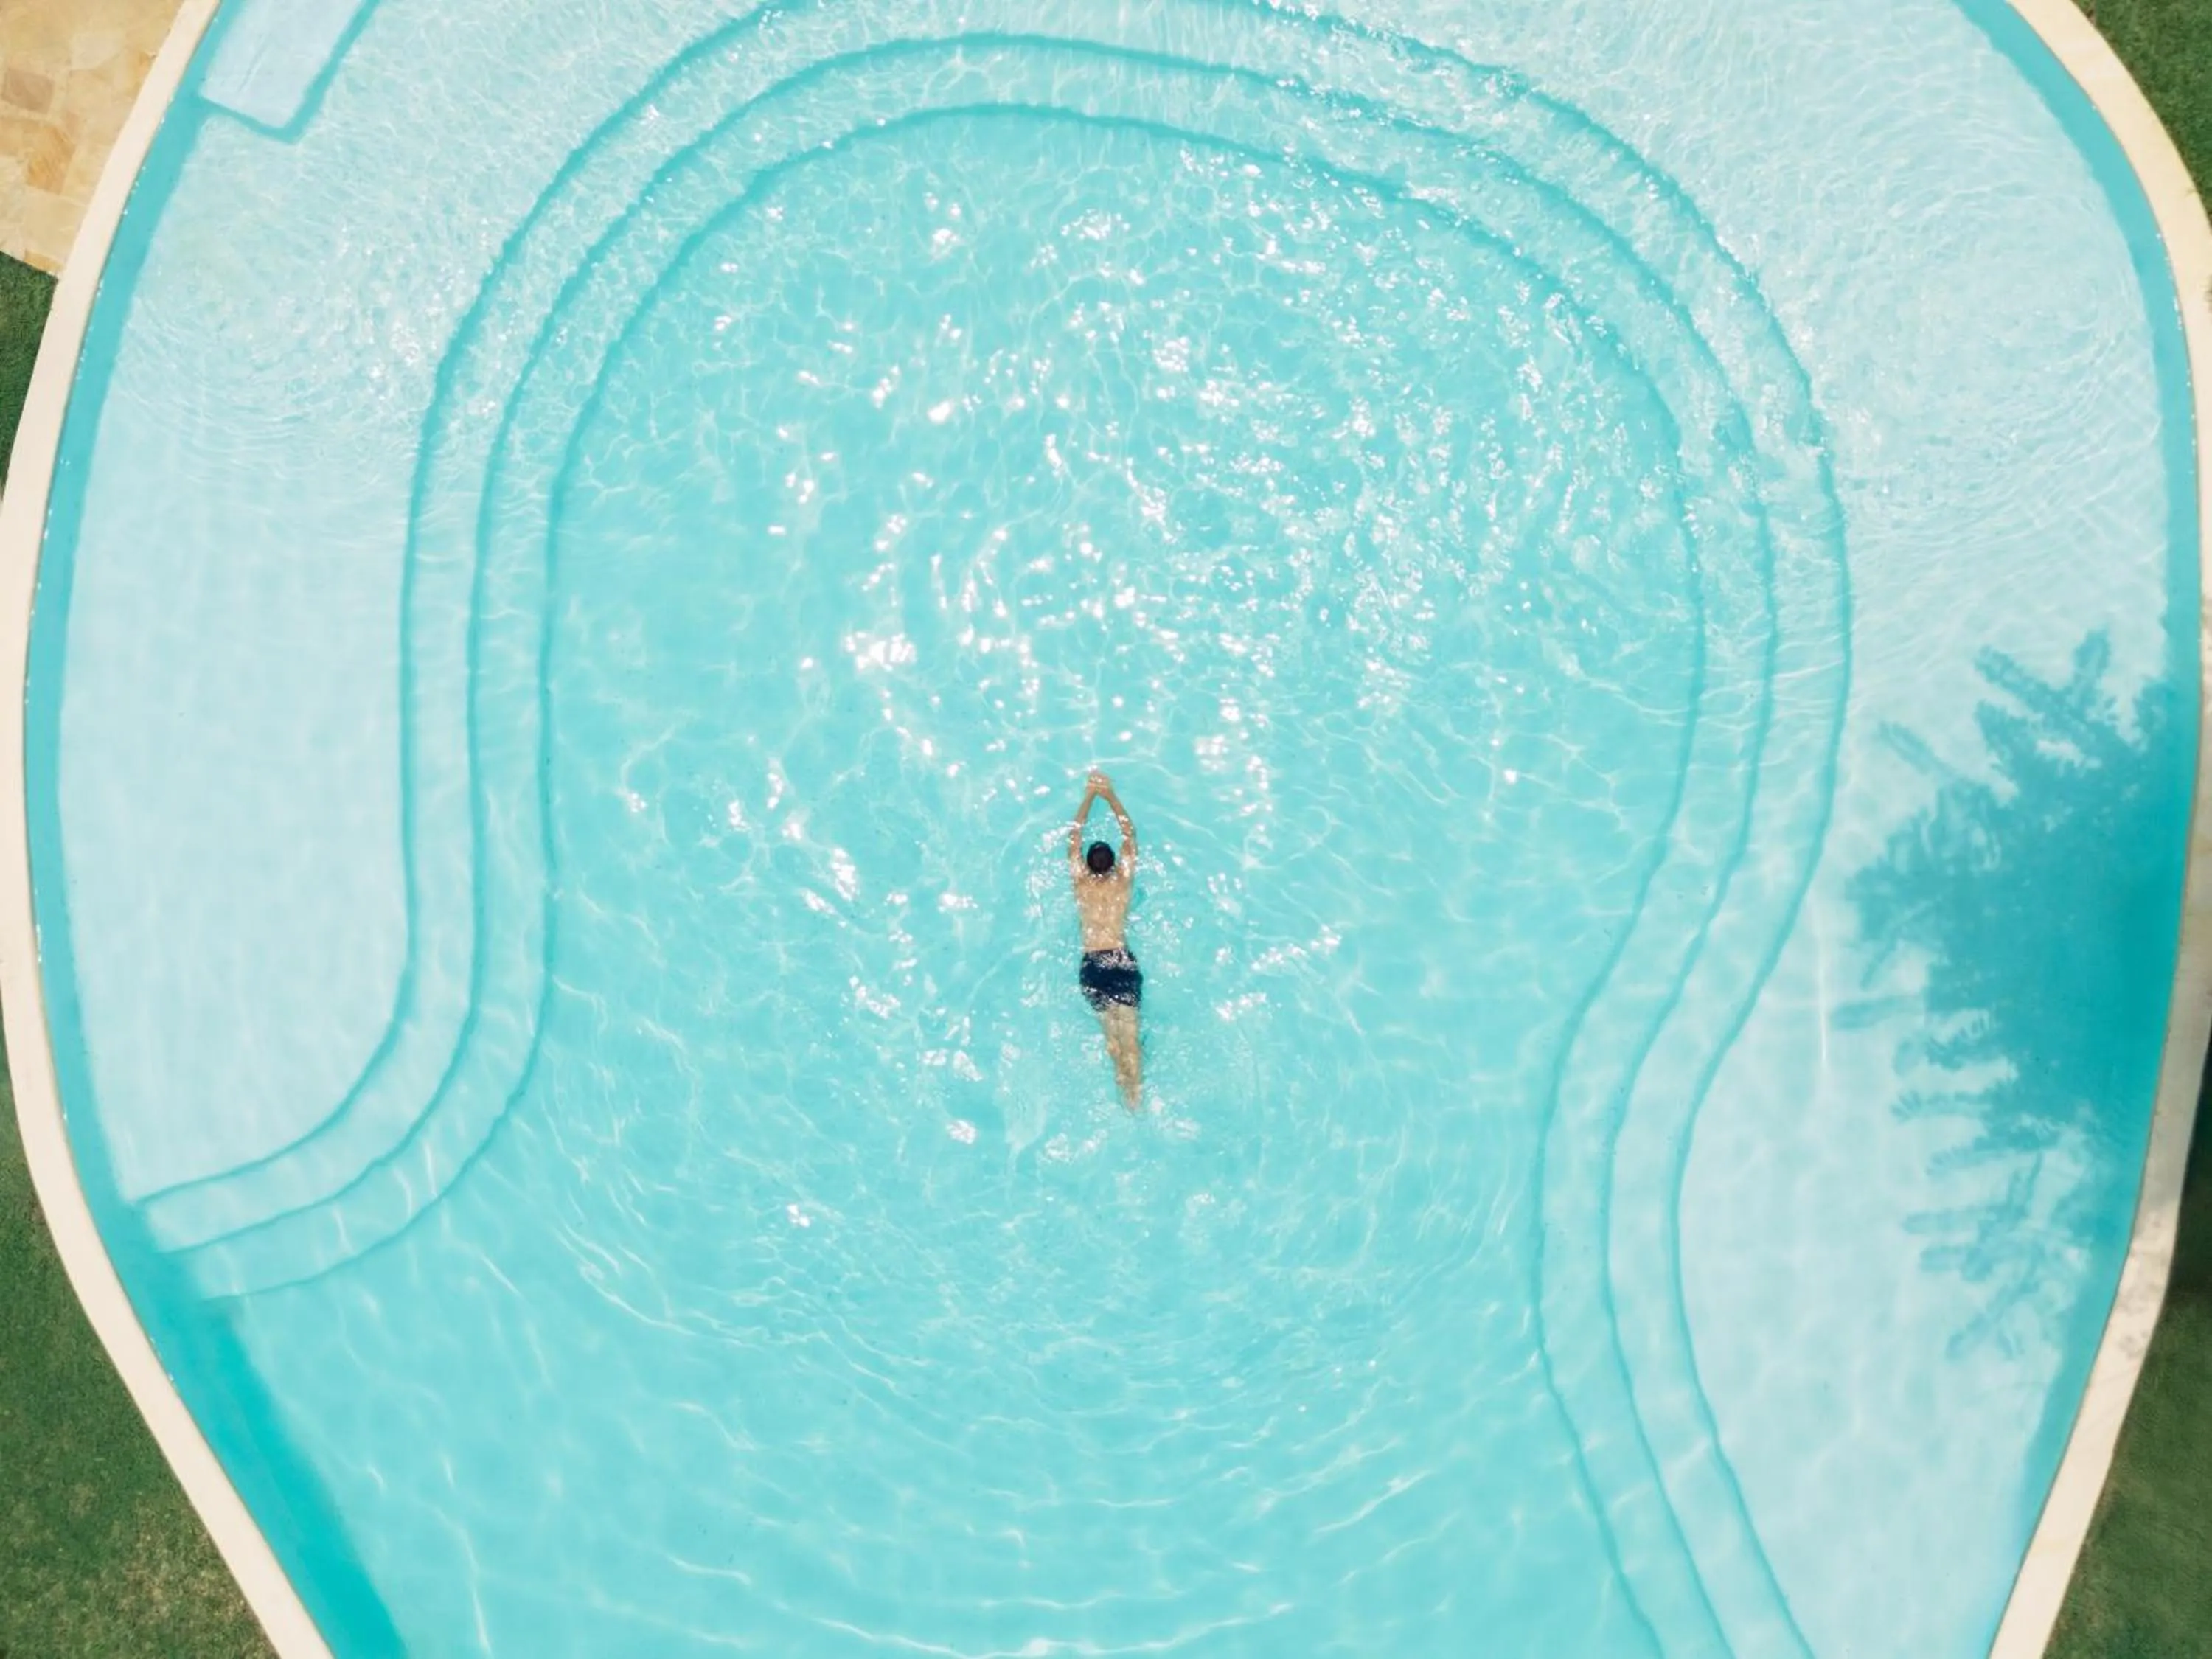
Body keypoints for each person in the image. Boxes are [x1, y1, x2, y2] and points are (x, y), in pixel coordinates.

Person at [1069, 768, 1142, 1108]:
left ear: (1087, 865)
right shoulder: (1121, 885)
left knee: (1112, 1038)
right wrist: (1110, 795)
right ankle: (1136, 1095)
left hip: (1093, 962)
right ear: (1112, 865)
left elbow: (1073, 839)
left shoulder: (1082, 886)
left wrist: (1088, 796)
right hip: (1119, 959)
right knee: (1129, 1033)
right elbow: (1131, 836)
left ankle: (1122, 1082)